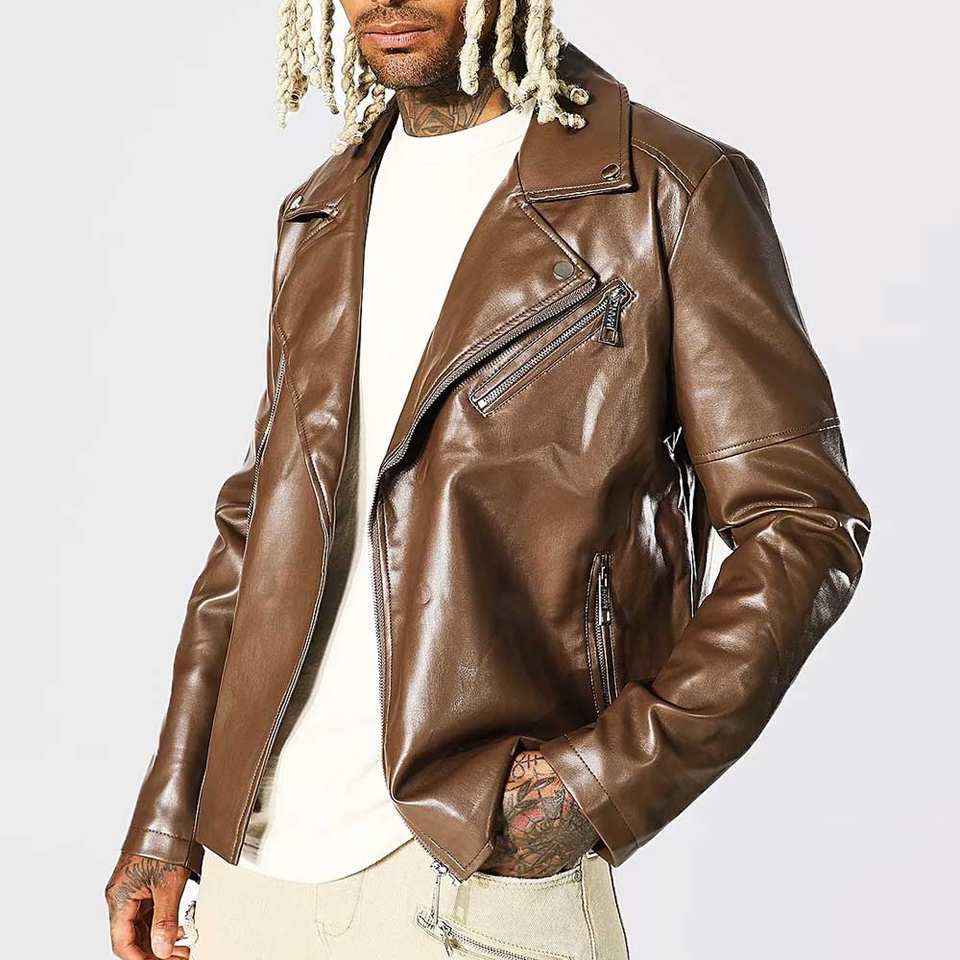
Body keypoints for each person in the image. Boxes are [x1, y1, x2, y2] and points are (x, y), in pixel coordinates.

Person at [105, 1, 871, 957]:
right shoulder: (322, 210)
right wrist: (169, 814)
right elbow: (254, 532)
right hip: (252, 874)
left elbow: (802, 523)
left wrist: (604, 780)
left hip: (470, 869)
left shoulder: (663, 190)